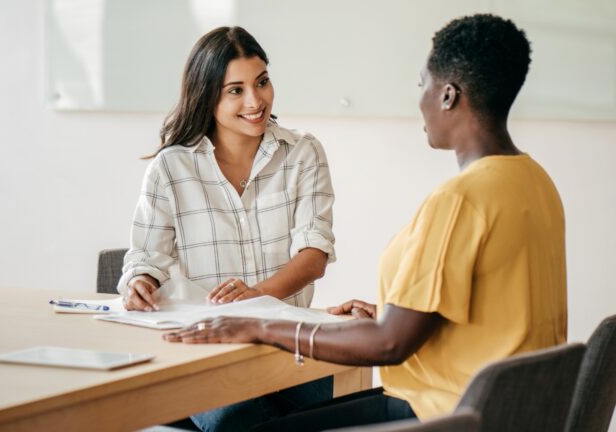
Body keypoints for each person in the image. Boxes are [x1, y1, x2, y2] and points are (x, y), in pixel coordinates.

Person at [165, 14, 567, 431]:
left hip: (444, 414)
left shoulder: (460, 201)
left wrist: (262, 325)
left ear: (447, 95)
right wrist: (391, 314)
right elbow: (494, 314)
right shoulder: (534, 182)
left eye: (421, 85)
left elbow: (390, 344)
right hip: (509, 412)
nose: (420, 100)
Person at [118, 27, 337, 430]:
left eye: (262, 82)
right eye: (235, 90)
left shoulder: (303, 152)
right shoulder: (170, 168)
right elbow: (146, 257)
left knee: (318, 414)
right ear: (207, 96)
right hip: (207, 353)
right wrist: (140, 281)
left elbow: (314, 255)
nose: (256, 101)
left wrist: (256, 298)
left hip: (290, 349)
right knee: (238, 421)